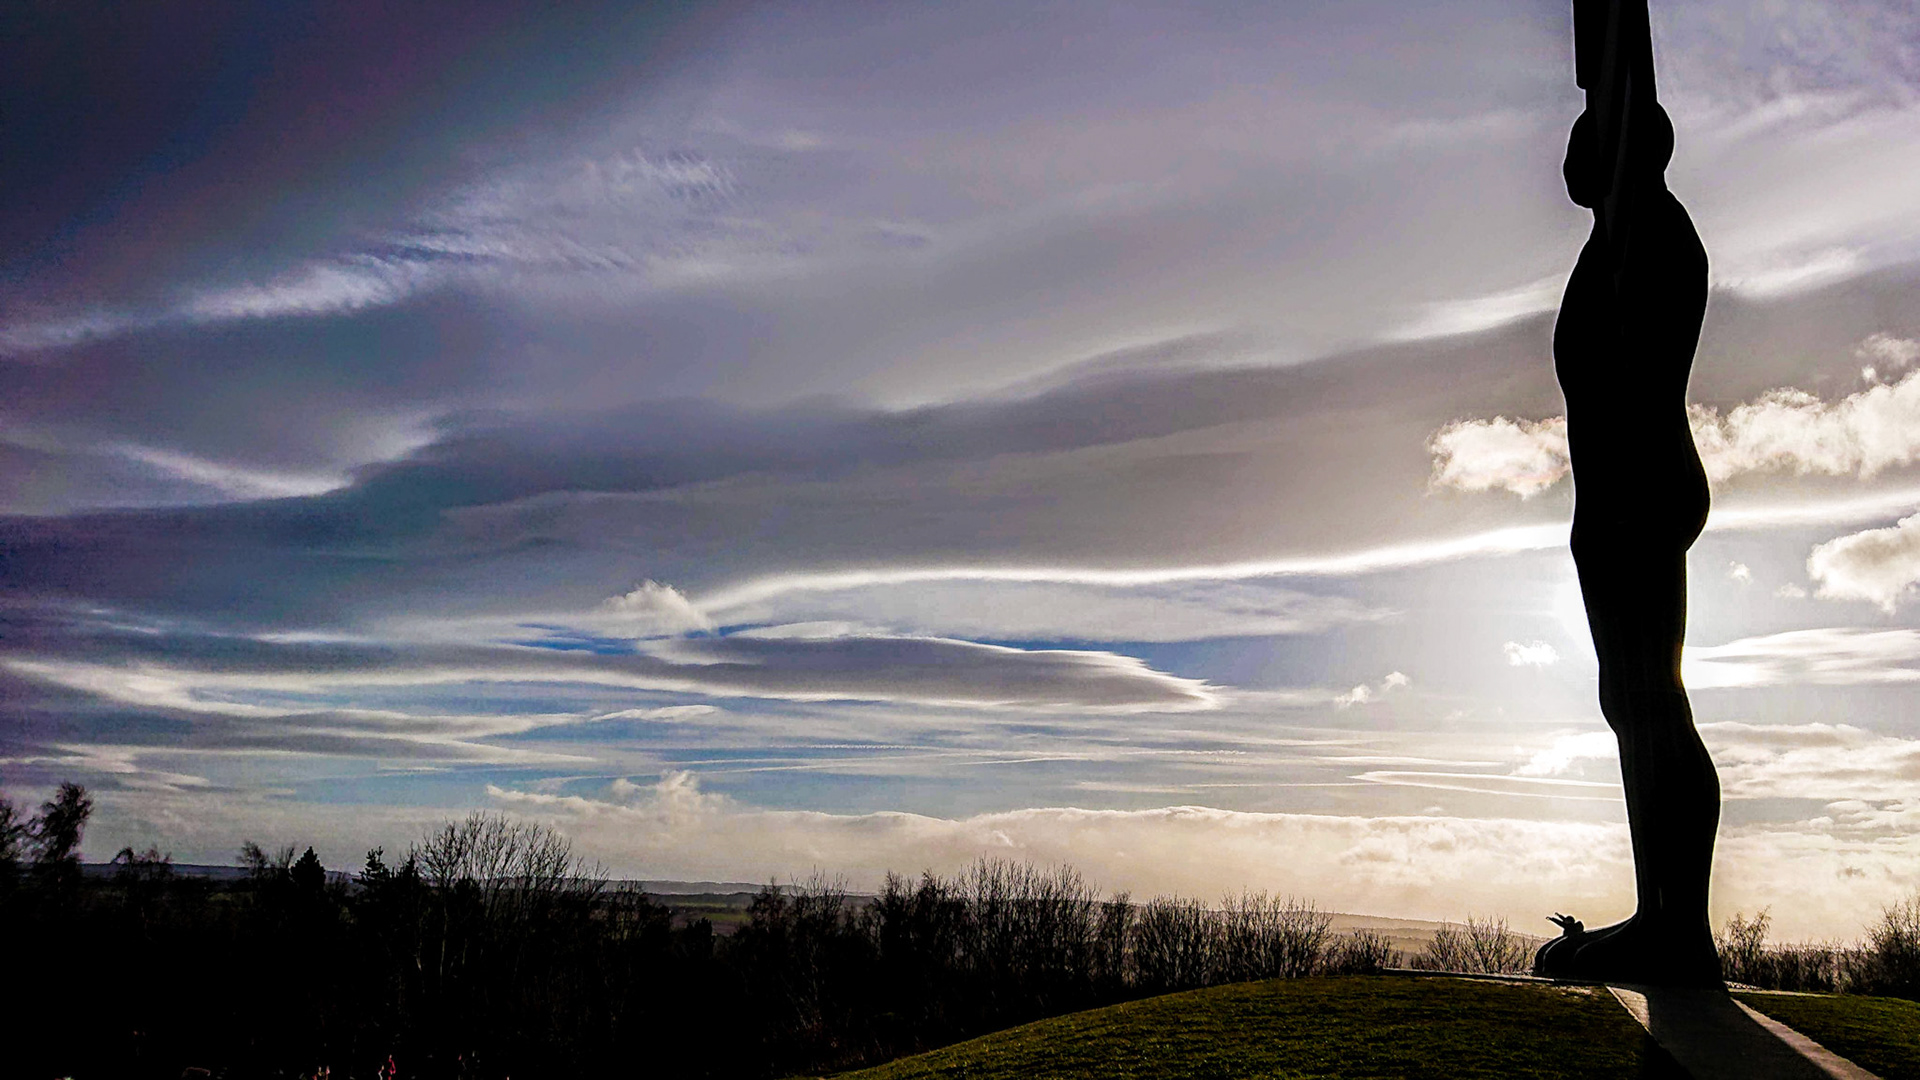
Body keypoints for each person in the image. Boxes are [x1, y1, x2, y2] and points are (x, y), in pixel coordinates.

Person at [1532, 0, 1722, 986]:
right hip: (1618, 498)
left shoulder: (1648, 227)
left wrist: (1610, 31)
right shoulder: (1620, 234)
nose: (1561, 155)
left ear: (1612, 138)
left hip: (1638, 493)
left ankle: (1676, 930)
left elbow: (1621, 76)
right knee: (1636, 698)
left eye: (1582, 133)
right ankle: (1665, 918)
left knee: (1651, 699)